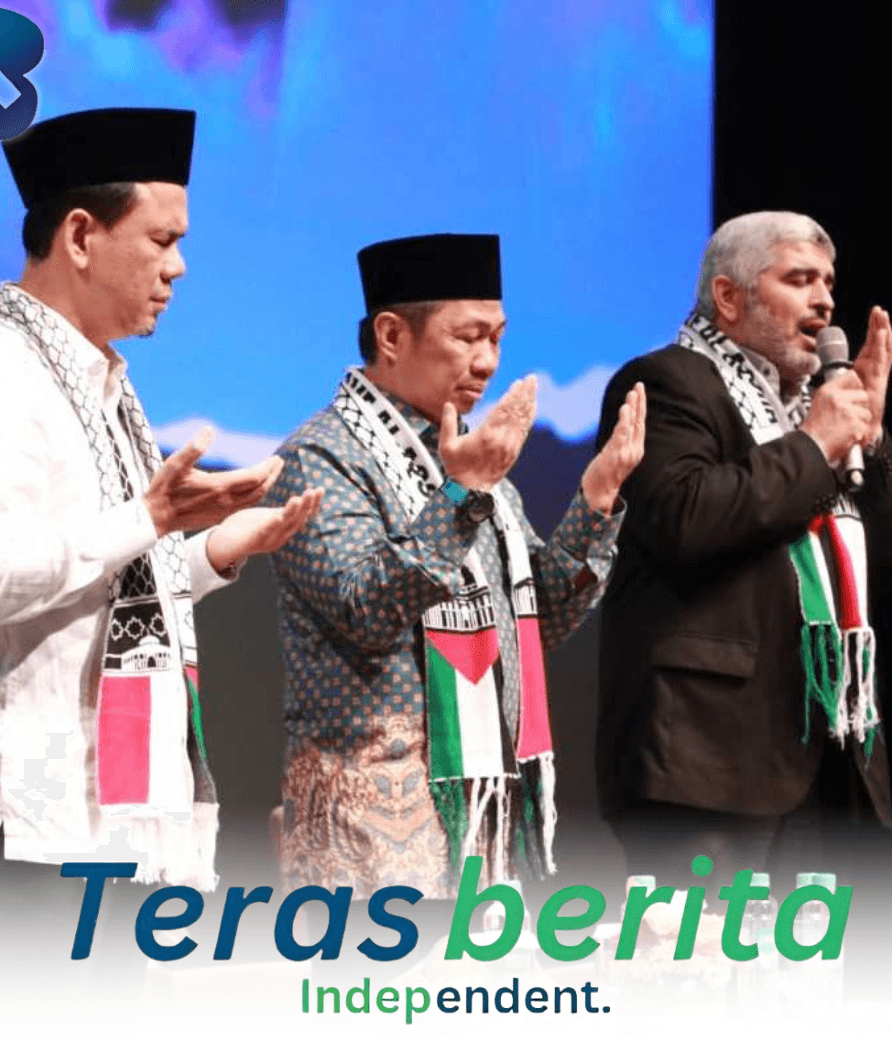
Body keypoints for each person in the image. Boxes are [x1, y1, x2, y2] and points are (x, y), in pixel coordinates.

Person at [0, 108, 321, 1001]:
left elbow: (102, 590)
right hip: (31, 828)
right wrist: (146, 517)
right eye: (162, 240)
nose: (179, 268)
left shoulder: (97, 383)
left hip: (104, 826)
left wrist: (209, 552)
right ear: (80, 237)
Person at [266, 233, 646, 911]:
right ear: (392, 335)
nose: (488, 361)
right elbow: (364, 610)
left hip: (482, 808)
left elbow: (533, 628)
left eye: (497, 338)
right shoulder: (318, 458)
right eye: (468, 336)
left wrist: (596, 500)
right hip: (370, 816)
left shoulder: (471, 462)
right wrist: (461, 496)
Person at [595, 211, 892, 896]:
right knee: (697, 964)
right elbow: (684, 519)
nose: (824, 301)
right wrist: (815, 445)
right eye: (798, 280)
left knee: (818, 967)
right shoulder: (664, 384)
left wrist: (870, 436)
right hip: (705, 763)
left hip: (827, 753)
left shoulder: (815, 409)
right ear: (729, 297)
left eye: (828, 283)